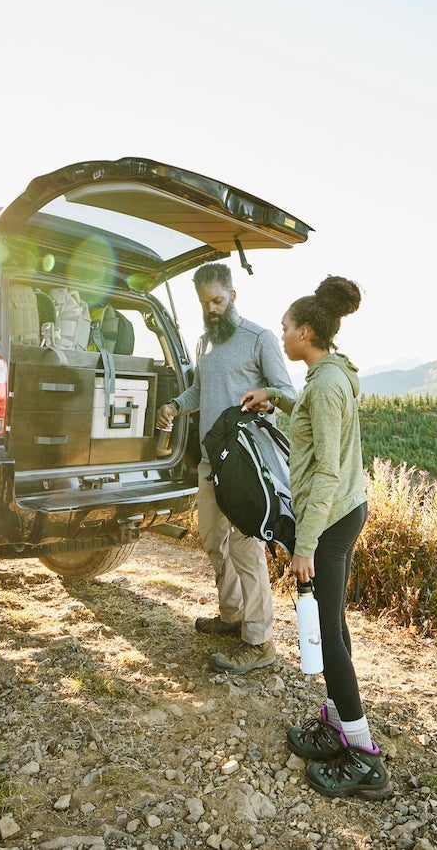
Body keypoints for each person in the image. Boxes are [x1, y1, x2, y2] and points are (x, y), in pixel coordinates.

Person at [243, 275, 388, 799]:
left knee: (327, 633)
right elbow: (308, 411)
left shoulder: (326, 385)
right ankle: (334, 722)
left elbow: (326, 470)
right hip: (343, 513)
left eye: (285, 329)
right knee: (333, 625)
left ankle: (364, 755)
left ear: (305, 331)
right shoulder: (328, 374)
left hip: (329, 521)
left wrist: (304, 544)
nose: (280, 336)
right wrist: (274, 398)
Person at [155, 262, 295, 674]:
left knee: (244, 547)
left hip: (247, 464)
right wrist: (176, 406)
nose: (212, 309)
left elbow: (286, 392)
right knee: (214, 539)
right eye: (205, 304)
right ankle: (232, 615)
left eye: (218, 300)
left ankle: (259, 640)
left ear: (233, 295)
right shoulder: (204, 343)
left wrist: (267, 395)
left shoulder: (260, 338)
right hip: (210, 460)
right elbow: (202, 388)